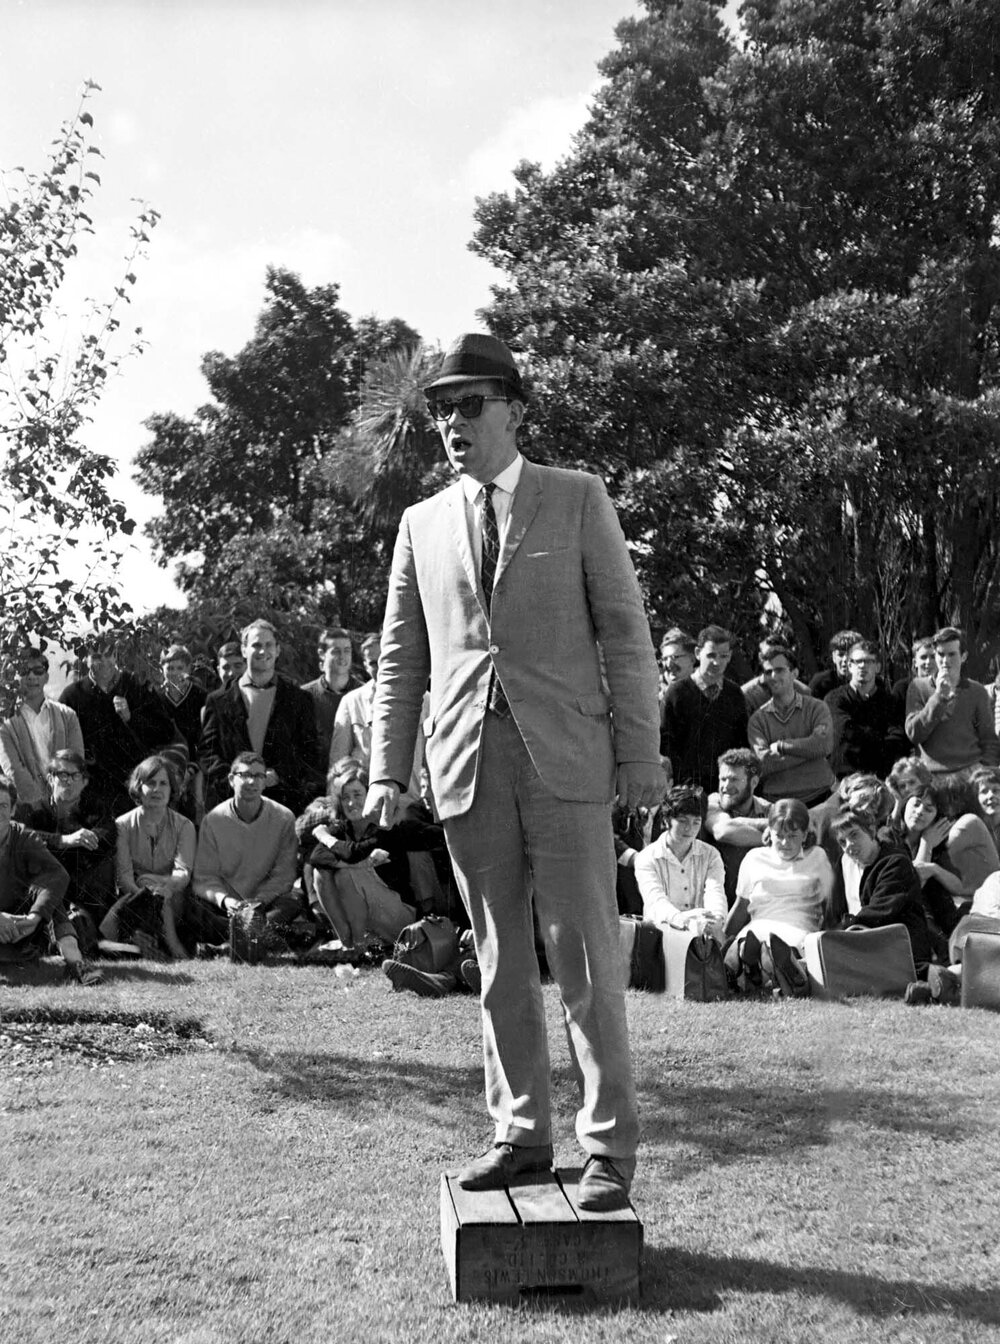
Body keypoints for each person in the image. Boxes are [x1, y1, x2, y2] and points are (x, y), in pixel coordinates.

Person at [364, 332, 663, 1212]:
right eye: (441, 411)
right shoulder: (420, 524)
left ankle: (606, 1148)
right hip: (465, 765)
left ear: (514, 412)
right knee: (495, 962)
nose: (453, 423)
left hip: (568, 762)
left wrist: (642, 754)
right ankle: (522, 1136)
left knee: (585, 958)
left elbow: (626, 634)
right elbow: (399, 660)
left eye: (469, 405)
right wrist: (388, 772)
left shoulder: (577, 499)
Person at [297, 757, 443, 955]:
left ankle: (357, 945)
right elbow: (317, 857)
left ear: (369, 795)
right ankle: (348, 942)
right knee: (321, 874)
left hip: (398, 916)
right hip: (368, 917)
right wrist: (358, 863)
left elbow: (352, 853)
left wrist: (324, 836)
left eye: (357, 794)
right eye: (345, 796)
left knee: (349, 874)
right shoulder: (341, 827)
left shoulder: (383, 826)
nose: (351, 802)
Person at [200, 620, 321, 815]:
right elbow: (207, 753)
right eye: (256, 645)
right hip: (231, 806)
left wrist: (280, 775)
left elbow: (309, 752)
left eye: (269, 645)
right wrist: (235, 780)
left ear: (278, 650)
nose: (263, 651)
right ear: (244, 650)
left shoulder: (299, 699)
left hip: (283, 804)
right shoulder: (218, 700)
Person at [191, 751, 300, 946]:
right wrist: (226, 901)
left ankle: (230, 943)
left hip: (265, 904)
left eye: (259, 776)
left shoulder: (284, 817)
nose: (252, 782)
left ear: (265, 781)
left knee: (292, 901)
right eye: (245, 775)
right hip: (226, 906)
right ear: (232, 780)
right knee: (192, 905)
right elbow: (204, 877)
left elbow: (284, 876)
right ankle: (251, 938)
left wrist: (257, 903)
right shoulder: (213, 820)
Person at [0, 774, 100, 984]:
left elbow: (56, 874)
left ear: (12, 810)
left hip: (20, 929)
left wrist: (34, 917)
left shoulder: (24, 837)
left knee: (49, 892)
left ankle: (76, 963)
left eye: (2, 805)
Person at [59, 637, 179, 811]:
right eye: (98, 656)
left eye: (109, 654)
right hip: (93, 790)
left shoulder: (136, 684)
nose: (105, 661)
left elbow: (166, 732)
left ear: (116, 656)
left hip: (138, 784)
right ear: (85, 659)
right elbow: (63, 749)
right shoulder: (72, 695)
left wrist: (131, 718)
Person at [728, 798, 834, 990]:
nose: (785, 843)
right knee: (740, 949)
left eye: (793, 836)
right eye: (779, 836)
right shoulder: (754, 858)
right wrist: (724, 941)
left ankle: (768, 971)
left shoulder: (817, 856)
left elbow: (830, 905)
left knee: (780, 950)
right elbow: (741, 906)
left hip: (798, 927)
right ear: (770, 832)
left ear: (805, 834)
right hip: (760, 925)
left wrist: (827, 944)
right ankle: (750, 966)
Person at [102, 755, 194, 960]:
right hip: (133, 899)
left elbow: (183, 874)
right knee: (145, 886)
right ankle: (172, 946)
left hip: (174, 896)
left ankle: (160, 943)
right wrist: (146, 897)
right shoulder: (122, 825)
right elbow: (124, 878)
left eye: (164, 783)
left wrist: (157, 887)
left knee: (150, 884)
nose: (157, 789)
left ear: (172, 790)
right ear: (138, 787)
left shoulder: (185, 826)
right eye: (150, 783)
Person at [24, 750, 116, 947]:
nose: (69, 781)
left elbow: (107, 835)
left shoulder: (96, 810)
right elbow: (24, 837)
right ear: (50, 779)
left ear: (85, 781)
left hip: (83, 890)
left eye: (75, 776)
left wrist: (76, 841)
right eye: (62, 775)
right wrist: (64, 840)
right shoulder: (34, 810)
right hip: (45, 890)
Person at [832, 806, 933, 976]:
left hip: (899, 948)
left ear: (871, 831)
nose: (849, 845)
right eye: (842, 842)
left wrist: (838, 937)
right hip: (860, 941)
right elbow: (836, 910)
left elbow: (879, 913)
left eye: (854, 835)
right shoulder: (845, 863)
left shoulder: (895, 863)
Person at [659, 624, 748, 793]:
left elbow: (742, 745)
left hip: (726, 790)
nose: (717, 662)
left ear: (729, 656)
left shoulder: (734, 694)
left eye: (723, 656)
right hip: (686, 791)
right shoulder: (676, 693)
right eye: (711, 655)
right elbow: (665, 745)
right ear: (698, 653)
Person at [904, 625, 999, 777]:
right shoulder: (918, 687)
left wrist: (985, 772)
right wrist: (939, 697)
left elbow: (989, 741)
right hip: (932, 774)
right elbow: (914, 734)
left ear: (964, 656)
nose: (945, 660)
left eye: (952, 654)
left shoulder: (977, 691)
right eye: (940, 654)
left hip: (970, 773)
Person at [0, 648, 85, 815]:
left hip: (66, 807)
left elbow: (76, 763)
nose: (31, 676)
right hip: (26, 811)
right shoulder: (4, 721)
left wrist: (61, 801)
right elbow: (14, 770)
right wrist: (41, 807)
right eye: (24, 671)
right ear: (16, 676)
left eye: (38, 671)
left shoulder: (67, 716)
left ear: (46, 677)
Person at [634, 786, 726, 939]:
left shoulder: (711, 855)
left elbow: (715, 892)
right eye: (683, 821)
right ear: (666, 820)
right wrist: (686, 921)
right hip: (659, 938)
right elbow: (656, 902)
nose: (689, 828)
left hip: (702, 936)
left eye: (696, 822)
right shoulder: (646, 858)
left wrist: (716, 919)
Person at [748, 644, 835, 804]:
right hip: (777, 803)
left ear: (794, 673)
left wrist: (782, 747)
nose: (773, 676)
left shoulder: (816, 708)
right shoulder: (758, 720)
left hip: (821, 796)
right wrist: (811, 751)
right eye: (768, 672)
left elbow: (824, 746)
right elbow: (763, 764)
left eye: (779, 670)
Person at [703, 748, 770, 906]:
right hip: (716, 901)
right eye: (723, 779)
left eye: (734, 779)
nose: (726, 786)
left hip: (755, 904)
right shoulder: (713, 802)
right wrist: (771, 834)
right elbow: (723, 831)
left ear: (753, 782)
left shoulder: (769, 810)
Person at [825, 639, 899, 779]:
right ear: (850, 666)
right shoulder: (834, 699)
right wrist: (880, 740)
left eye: (868, 661)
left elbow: (897, 738)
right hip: (844, 778)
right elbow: (847, 732)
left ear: (877, 667)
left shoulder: (889, 701)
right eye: (857, 661)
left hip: (880, 778)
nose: (862, 666)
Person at [301, 628, 364, 767]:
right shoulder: (304, 695)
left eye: (347, 650)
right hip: (314, 781)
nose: (343, 656)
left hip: (355, 781)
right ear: (322, 654)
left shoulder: (364, 695)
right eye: (336, 651)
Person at [808, 629, 865, 701]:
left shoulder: (870, 683)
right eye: (840, 655)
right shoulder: (820, 683)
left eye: (850, 654)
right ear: (833, 657)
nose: (845, 659)